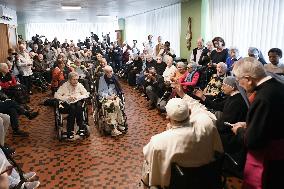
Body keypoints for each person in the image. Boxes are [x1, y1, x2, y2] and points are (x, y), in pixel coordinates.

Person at [142, 88, 223, 188]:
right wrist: (183, 94)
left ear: (167, 117)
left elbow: (151, 169)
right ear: (189, 112)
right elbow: (200, 108)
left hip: (179, 184)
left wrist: (170, 131)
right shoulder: (206, 124)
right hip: (209, 179)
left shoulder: (159, 141)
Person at [231, 57, 284, 189]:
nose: (239, 84)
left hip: (267, 157)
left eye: (239, 80)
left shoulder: (262, 97)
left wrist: (239, 130)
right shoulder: (278, 86)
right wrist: (250, 123)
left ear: (248, 79)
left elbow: (253, 141)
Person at [54, 72, 89, 139]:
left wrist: (78, 96)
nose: (76, 81)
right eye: (74, 79)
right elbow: (56, 95)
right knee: (72, 108)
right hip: (67, 103)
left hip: (77, 101)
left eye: (77, 79)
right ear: (69, 80)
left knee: (79, 106)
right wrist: (67, 98)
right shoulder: (64, 86)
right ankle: (70, 130)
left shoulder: (79, 85)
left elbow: (86, 94)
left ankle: (81, 128)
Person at [98, 66, 126, 136]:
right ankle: (113, 128)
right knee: (111, 106)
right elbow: (100, 92)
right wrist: (108, 97)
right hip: (106, 98)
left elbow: (119, 90)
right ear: (105, 73)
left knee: (117, 105)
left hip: (114, 96)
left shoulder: (115, 78)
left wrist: (115, 95)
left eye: (111, 71)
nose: (110, 73)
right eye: (107, 72)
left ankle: (120, 123)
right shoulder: (101, 79)